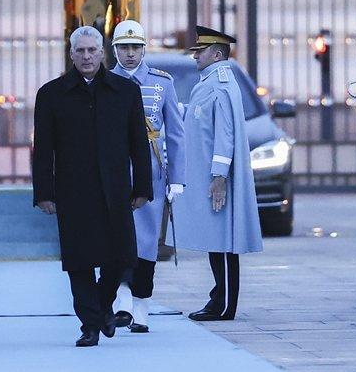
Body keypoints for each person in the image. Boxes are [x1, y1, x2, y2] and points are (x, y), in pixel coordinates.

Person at [32, 25, 153, 347]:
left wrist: (142, 187)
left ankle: (101, 310)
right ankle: (90, 324)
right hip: (73, 191)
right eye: (80, 51)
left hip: (115, 191)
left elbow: (138, 144)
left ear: (103, 53)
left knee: (120, 258)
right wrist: (43, 192)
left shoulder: (125, 92)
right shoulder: (51, 94)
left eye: (92, 50)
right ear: (71, 54)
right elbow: (43, 149)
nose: (86, 56)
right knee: (80, 261)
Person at [177, 25, 262, 321]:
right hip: (209, 175)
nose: (195, 57)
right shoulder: (210, 82)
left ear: (216, 54)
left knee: (223, 240)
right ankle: (218, 297)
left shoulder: (220, 83)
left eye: (200, 51)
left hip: (216, 178)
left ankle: (224, 305)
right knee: (216, 239)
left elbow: (225, 134)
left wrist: (219, 177)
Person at [108, 19, 185, 333]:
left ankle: (142, 305)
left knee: (147, 242)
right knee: (115, 237)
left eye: (135, 48)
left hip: (150, 170)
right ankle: (122, 296)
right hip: (114, 169)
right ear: (115, 50)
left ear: (143, 49)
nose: (129, 54)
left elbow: (176, 134)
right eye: (124, 48)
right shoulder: (104, 81)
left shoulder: (161, 82)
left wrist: (177, 178)